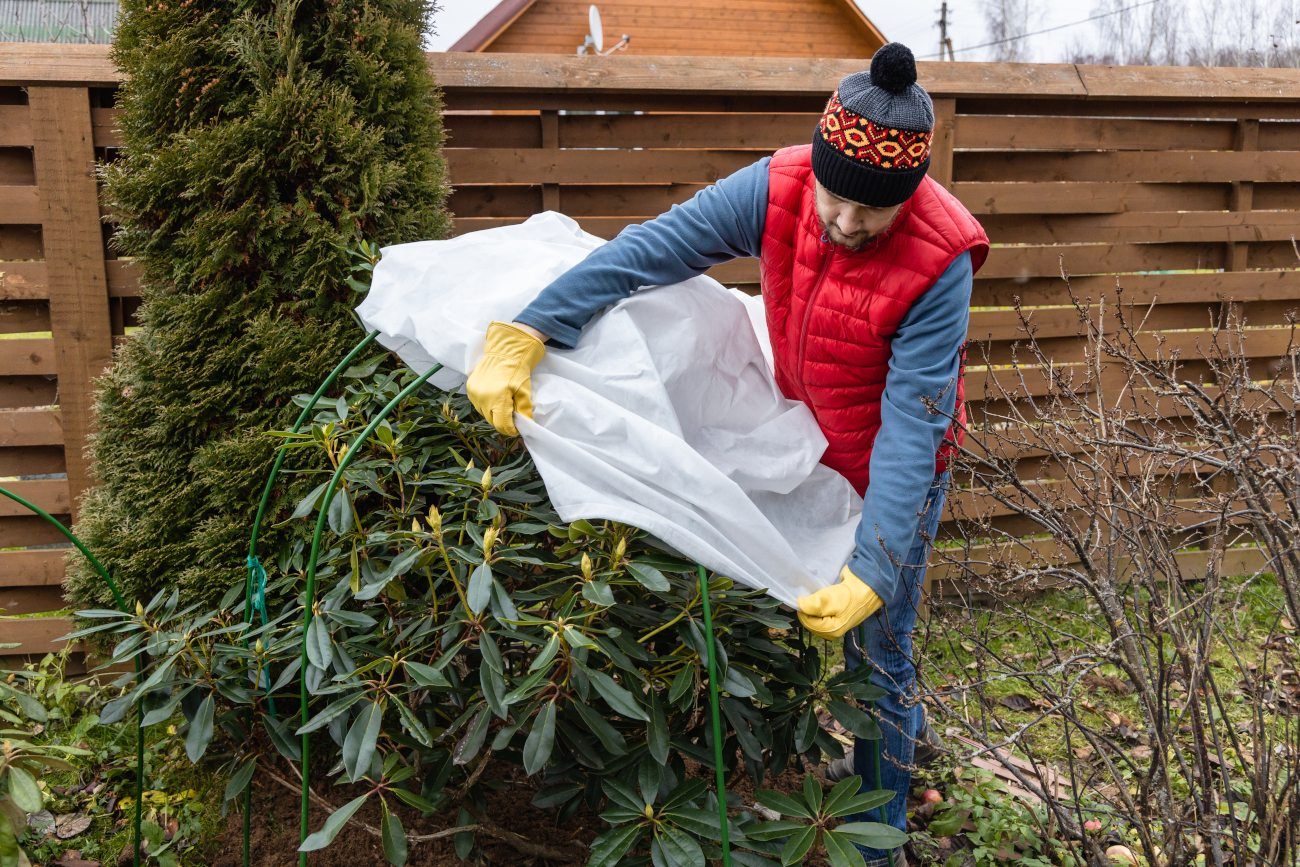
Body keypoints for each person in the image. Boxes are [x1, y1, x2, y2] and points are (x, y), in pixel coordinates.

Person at [465, 42, 987, 867]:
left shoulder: (941, 258)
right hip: (814, 431)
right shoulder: (777, 187)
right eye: (835, 197)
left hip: (900, 459)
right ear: (814, 166)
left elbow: (912, 424)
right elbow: (652, 249)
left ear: (909, 195)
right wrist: (533, 324)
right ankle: (912, 744)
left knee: (876, 645)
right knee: (848, 637)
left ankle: (877, 845)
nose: (845, 224)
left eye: (870, 212)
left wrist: (877, 565)